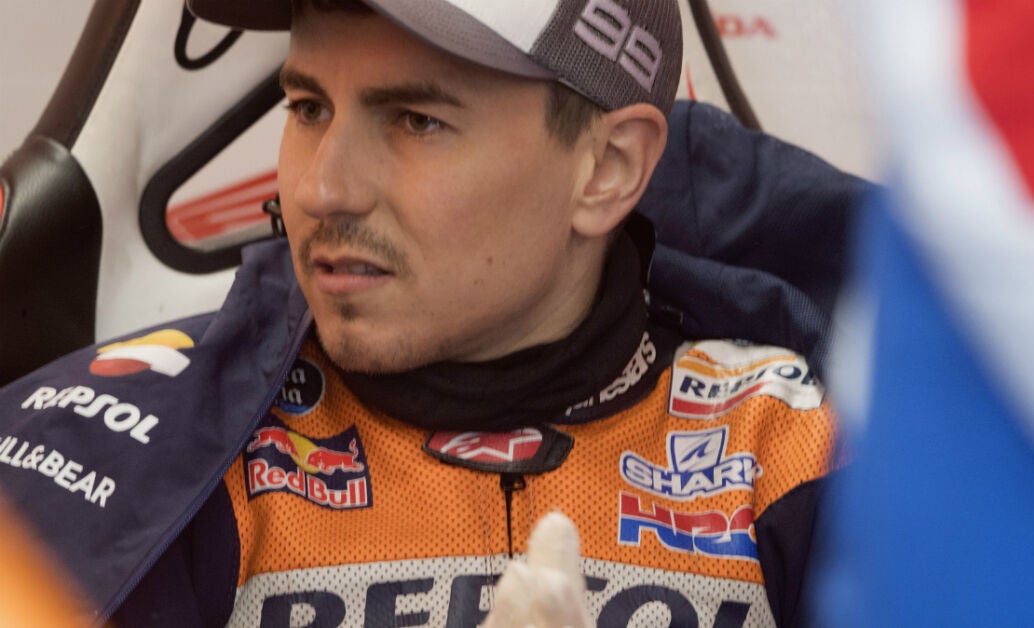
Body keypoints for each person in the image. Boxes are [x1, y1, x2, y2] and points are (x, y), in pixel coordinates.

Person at [0, 0, 851, 625]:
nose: (321, 188)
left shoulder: (799, 451)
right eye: (309, 108)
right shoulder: (114, 444)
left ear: (608, 169)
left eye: (415, 120)